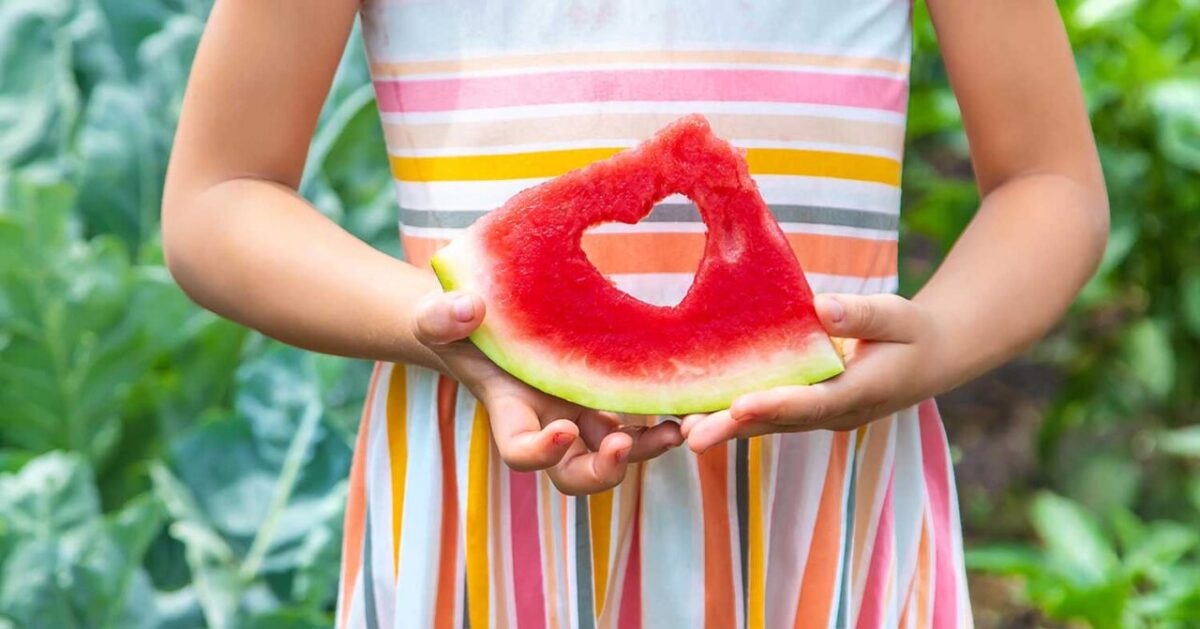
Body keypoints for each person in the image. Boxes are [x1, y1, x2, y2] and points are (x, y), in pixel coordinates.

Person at [162, 0, 1108, 626]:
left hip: (817, 492)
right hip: (493, 494)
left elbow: (1049, 182)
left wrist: (936, 342)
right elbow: (219, 197)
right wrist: (444, 323)